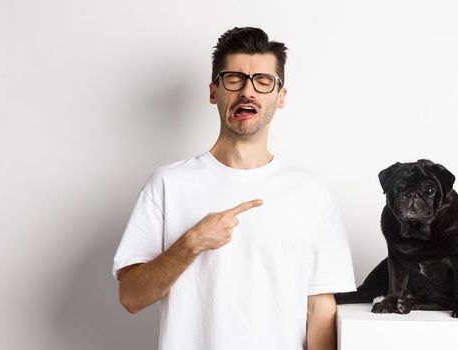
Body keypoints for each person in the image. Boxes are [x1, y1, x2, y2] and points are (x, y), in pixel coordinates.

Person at [111, 27, 356, 350]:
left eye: (263, 81)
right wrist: (191, 243)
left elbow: (320, 308)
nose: (248, 92)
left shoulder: (310, 192)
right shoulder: (168, 184)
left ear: (280, 97)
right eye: (234, 79)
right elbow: (131, 297)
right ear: (214, 92)